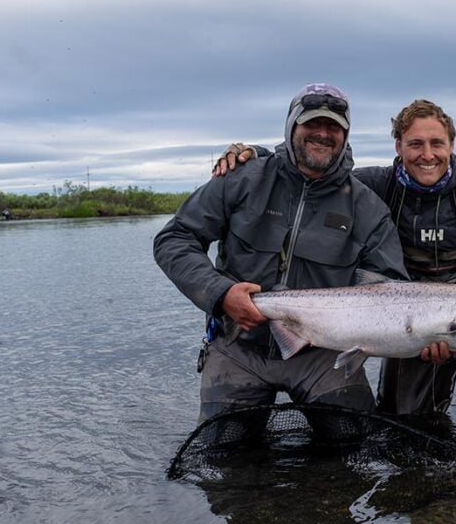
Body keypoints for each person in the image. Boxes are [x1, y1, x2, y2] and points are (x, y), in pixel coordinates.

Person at [215, 99, 456, 428]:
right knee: (406, 421)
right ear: (398, 146)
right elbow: (313, 169)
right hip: (394, 314)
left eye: (437, 144)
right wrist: (256, 155)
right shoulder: (371, 187)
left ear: (452, 145)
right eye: (415, 144)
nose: (427, 155)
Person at [154, 83, 408, 423]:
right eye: (312, 123)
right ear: (291, 127)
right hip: (239, 345)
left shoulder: (367, 208)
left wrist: (429, 336)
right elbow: (175, 238)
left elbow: (392, 290)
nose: (322, 133)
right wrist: (221, 294)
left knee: (353, 442)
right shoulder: (241, 178)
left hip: (324, 356)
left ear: (346, 136)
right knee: (223, 455)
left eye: (333, 127)